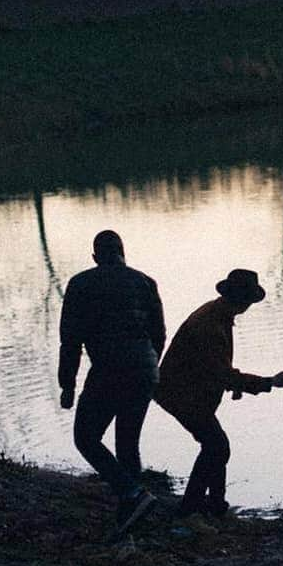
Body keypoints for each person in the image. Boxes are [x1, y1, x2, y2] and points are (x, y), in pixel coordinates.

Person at [154, 269, 283, 518]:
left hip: (189, 390)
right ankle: (190, 509)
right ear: (243, 301)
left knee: (215, 445)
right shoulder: (211, 325)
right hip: (179, 392)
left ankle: (216, 505)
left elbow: (214, 367)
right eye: (249, 301)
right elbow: (220, 371)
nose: (250, 306)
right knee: (217, 446)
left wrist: (231, 384)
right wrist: (269, 382)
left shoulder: (219, 314)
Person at [58, 229, 166, 538]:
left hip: (108, 369)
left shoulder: (80, 284)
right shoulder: (145, 281)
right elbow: (159, 333)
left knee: (85, 437)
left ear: (95, 257)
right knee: (128, 442)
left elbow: (70, 341)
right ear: (123, 253)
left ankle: (132, 495)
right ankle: (131, 514)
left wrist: (68, 384)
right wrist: (150, 365)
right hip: (144, 368)